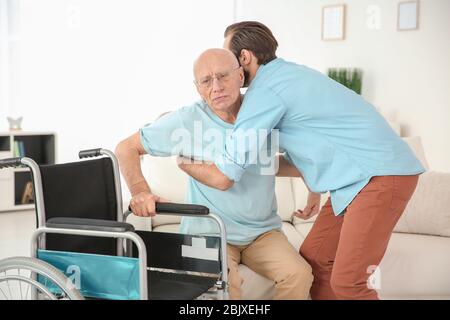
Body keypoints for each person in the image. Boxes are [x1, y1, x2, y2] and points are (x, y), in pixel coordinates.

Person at [175, 21, 425, 300]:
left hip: (379, 175)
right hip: (354, 182)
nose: (225, 72)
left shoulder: (265, 92)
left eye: (230, 59)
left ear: (244, 58)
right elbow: (311, 138)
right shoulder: (288, 76)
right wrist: (314, 192)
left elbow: (226, 175)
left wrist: (184, 161)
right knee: (314, 261)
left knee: (349, 282)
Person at [115, 48, 314, 300]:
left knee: (299, 274)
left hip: (262, 233)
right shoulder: (187, 121)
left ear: (241, 76)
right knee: (224, 288)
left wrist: (314, 187)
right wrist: (140, 191)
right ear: (197, 88)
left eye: (223, 76)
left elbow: (296, 156)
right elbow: (126, 148)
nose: (216, 86)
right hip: (207, 232)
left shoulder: (264, 113)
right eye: (206, 81)